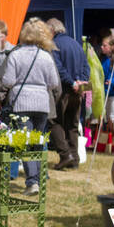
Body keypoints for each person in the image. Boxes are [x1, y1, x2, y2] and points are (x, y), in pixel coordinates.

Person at [1, 18, 62, 196]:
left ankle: (32, 182)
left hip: (22, 104)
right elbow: (53, 82)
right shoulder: (46, 56)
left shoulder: (15, 55)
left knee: (26, 143)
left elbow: (8, 81)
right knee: (37, 142)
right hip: (42, 104)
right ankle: (38, 178)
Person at [46, 17, 87, 171]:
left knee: (53, 121)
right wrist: (81, 81)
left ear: (52, 30)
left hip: (63, 90)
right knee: (73, 125)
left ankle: (65, 155)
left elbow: (58, 68)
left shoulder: (54, 45)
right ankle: (74, 159)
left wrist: (72, 82)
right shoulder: (76, 43)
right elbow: (85, 65)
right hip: (77, 91)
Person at [97, 34, 114, 139]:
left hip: (113, 93)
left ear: (112, 47)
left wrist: (112, 81)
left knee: (113, 116)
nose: (102, 47)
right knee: (108, 116)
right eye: (102, 45)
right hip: (104, 92)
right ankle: (111, 138)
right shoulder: (103, 59)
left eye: (105, 45)